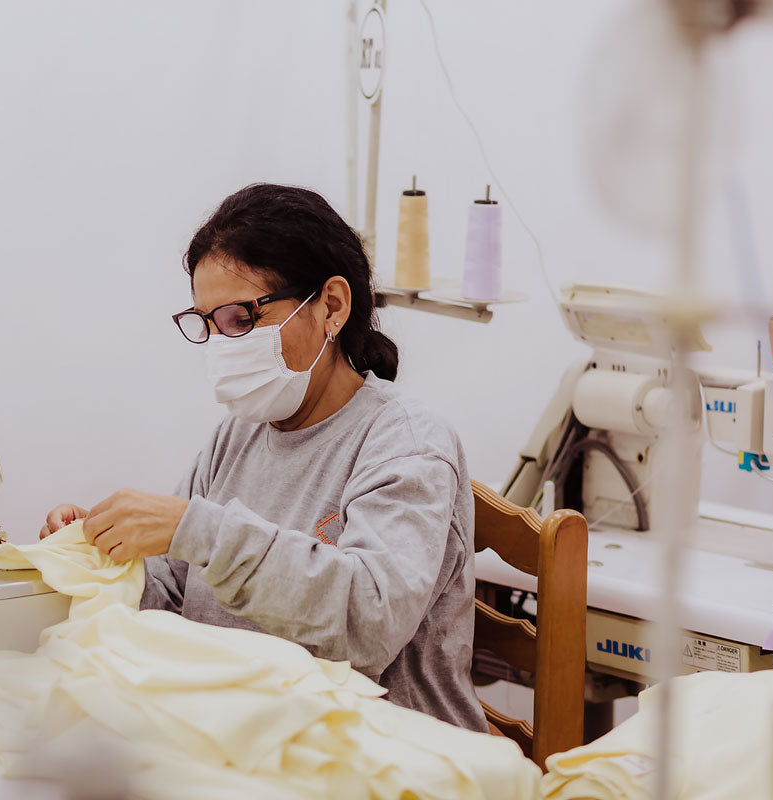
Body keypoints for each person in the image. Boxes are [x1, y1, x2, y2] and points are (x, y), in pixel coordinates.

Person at [40, 183, 487, 732]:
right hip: (249, 730)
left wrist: (196, 530)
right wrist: (99, 554)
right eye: (208, 325)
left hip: (387, 748)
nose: (223, 345)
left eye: (240, 319)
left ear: (331, 305)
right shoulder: (238, 436)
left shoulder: (407, 442)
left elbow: (368, 623)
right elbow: (171, 594)